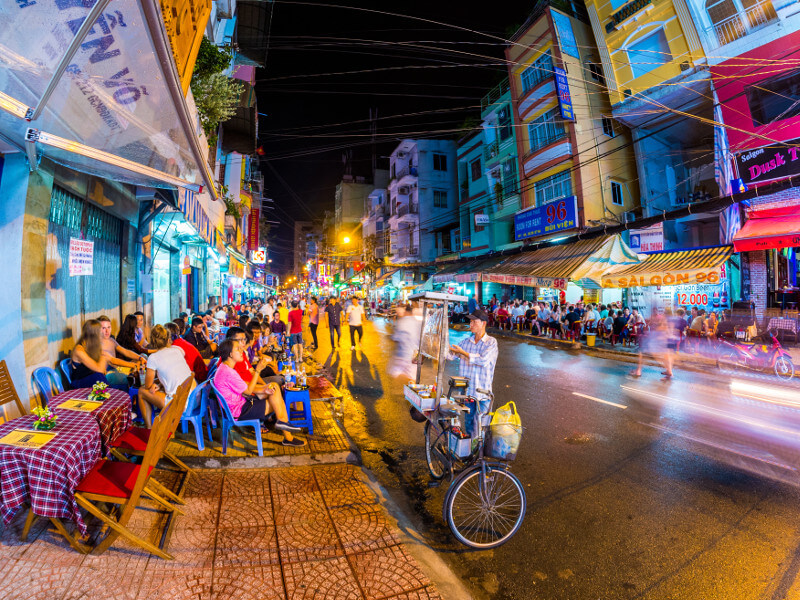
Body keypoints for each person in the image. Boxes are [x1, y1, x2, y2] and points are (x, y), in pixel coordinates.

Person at [213, 339, 304, 446]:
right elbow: (248, 391)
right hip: (240, 411)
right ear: (230, 354)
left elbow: (244, 386)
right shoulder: (228, 372)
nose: (242, 350)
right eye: (238, 349)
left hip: (241, 404)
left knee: (274, 388)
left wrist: (264, 388)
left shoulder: (224, 368)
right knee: (277, 401)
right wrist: (258, 370)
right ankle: (285, 430)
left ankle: (284, 426)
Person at [447, 309, 498, 437]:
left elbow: (482, 360)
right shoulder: (466, 342)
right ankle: (470, 453)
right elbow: (450, 356)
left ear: (483, 323)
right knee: (470, 426)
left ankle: (479, 455)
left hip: (483, 394)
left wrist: (463, 353)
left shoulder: (491, 342)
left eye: (474, 322)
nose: (471, 325)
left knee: (482, 430)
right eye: (470, 322)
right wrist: (442, 346)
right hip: (468, 393)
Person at [137, 325, 194, 426]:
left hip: (181, 405)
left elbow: (147, 386)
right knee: (155, 389)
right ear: (168, 339)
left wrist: (155, 384)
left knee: (141, 391)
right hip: (195, 400)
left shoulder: (153, 358)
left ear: (152, 341)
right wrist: (158, 384)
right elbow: (173, 374)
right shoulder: (177, 350)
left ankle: (149, 429)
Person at [69, 319, 116, 389]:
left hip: (92, 378)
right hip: (79, 382)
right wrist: (103, 356)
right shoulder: (79, 350)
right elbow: (100, 369)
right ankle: (111, 394)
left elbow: (111, 360)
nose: (103, 334)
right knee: (98, 376)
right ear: (95, 335)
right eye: (101, 332)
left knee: (100, 377)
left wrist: (132, 365)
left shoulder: (91, 347)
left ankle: (111, 394)